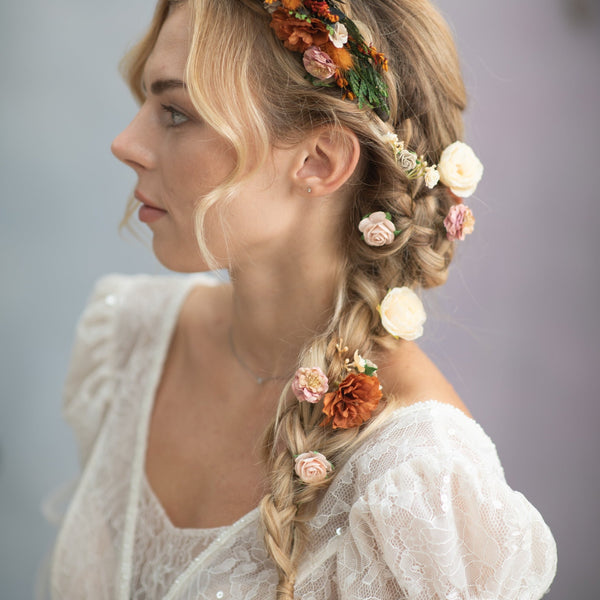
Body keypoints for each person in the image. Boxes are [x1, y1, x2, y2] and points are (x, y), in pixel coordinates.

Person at [48, 0, 557, 598]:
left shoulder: (419, 486)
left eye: (176, 113)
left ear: (319, 161)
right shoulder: (134, 338)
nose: (125, 142)